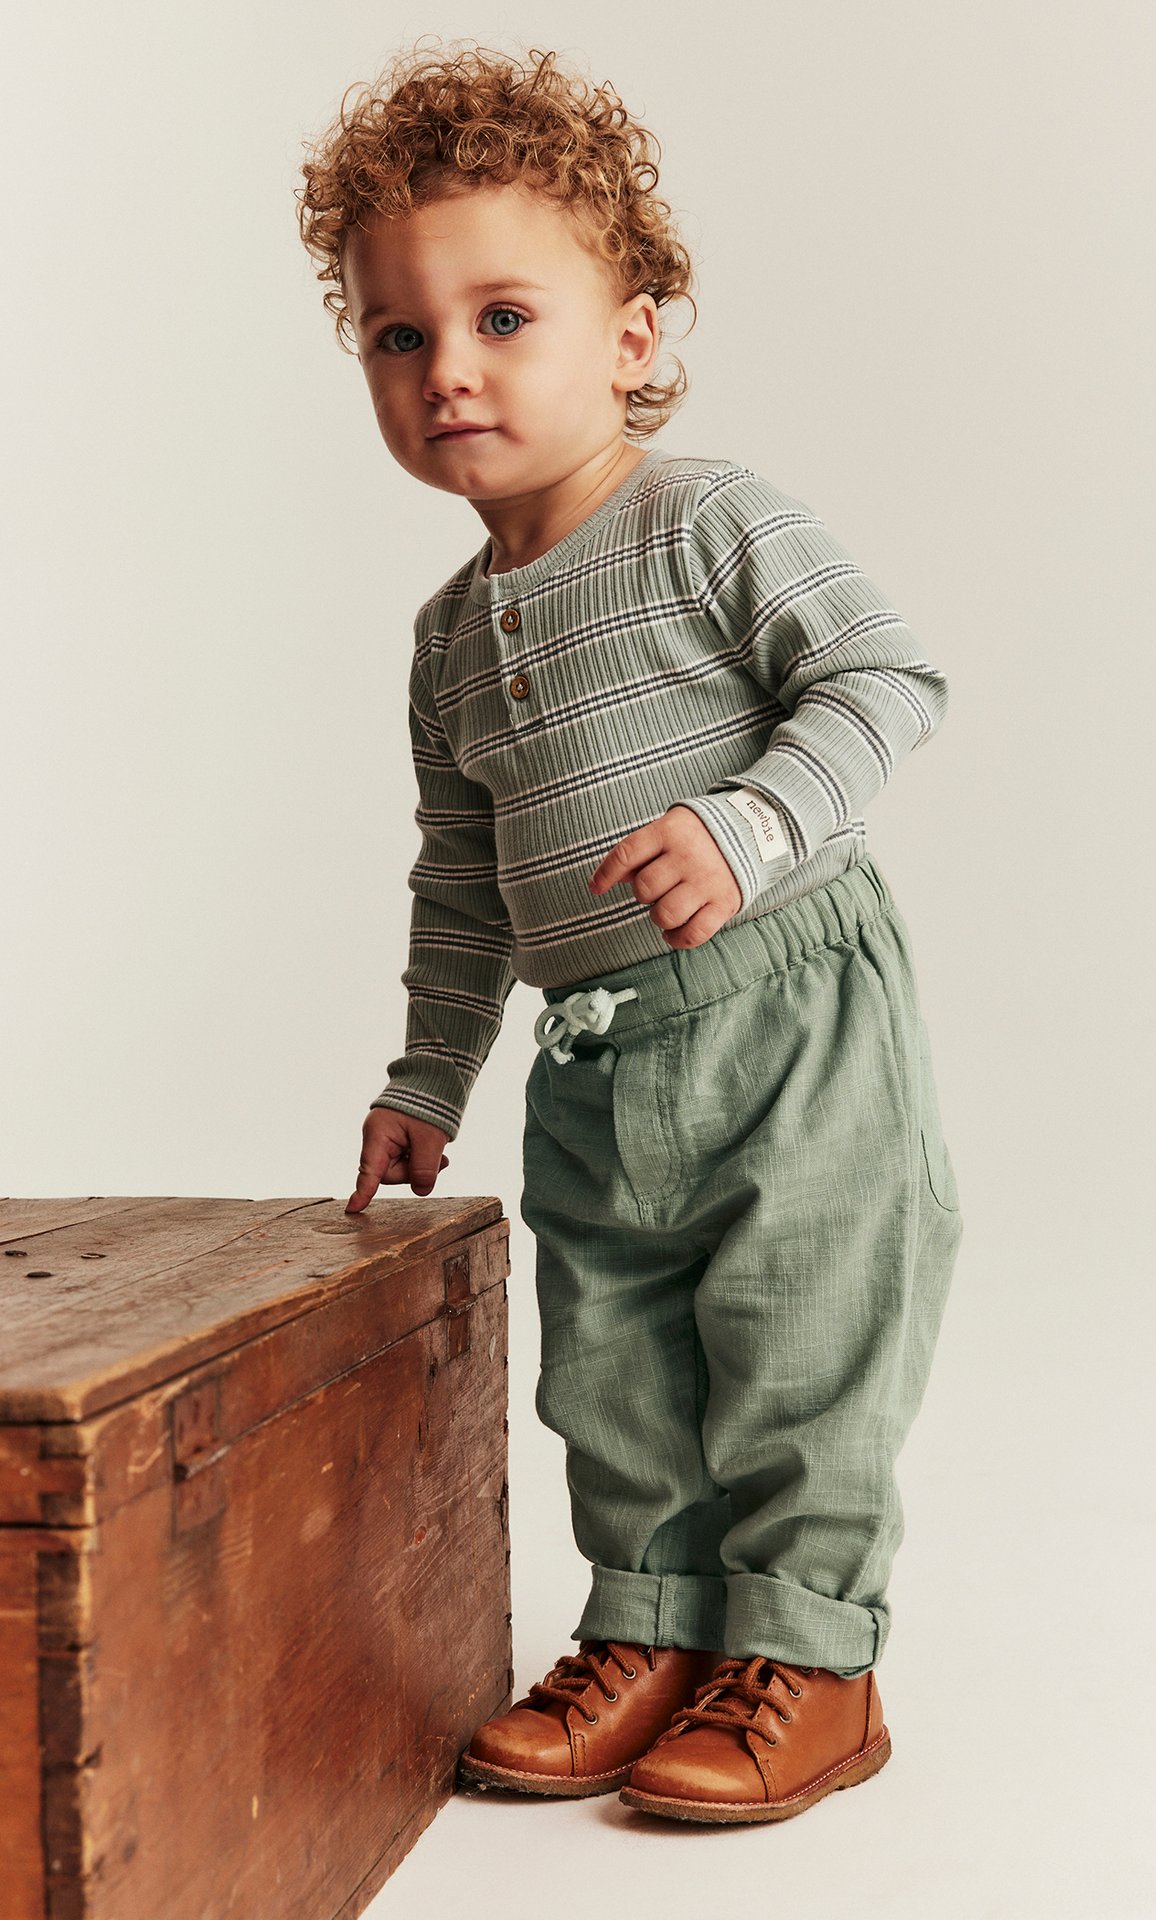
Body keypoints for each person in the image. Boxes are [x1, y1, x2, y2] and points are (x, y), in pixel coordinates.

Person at [297, 37, 964, 1827]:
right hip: (594, 1050)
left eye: (505, 315)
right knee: (616, 1360)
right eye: (398, 333)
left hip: (789, 1011)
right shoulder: (451, 636)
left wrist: (748, 830)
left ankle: (811, 1654)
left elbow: (887, 678)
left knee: (799, 1328)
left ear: (640, 334)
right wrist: (426, 1074)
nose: (451, 371)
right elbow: (459, 876)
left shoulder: (708, 521)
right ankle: (657, 1628)